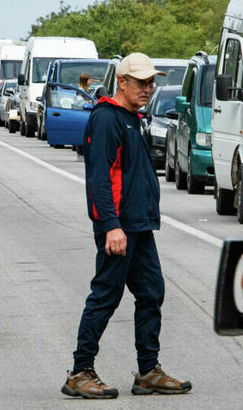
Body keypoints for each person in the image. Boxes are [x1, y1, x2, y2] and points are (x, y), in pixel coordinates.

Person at [62, 53, 191, 399]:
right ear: (122, 82)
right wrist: (110, 226)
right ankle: (80, 371)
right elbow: (99, 179)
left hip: (139, 225)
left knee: (151, 292)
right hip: (118, 226)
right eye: (141, 82)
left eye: (152, 82)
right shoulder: (107, 119)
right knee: (106, 295)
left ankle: (148, 371)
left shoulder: (132, 118)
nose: (149, 88)